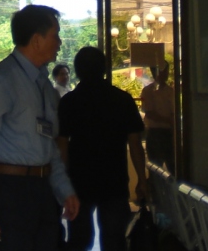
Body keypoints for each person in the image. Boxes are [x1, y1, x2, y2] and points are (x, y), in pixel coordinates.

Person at [0, 5, 79, 251]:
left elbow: (48, 145)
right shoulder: (2, 81)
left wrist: (64, 189)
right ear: (37, 40)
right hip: (9, 191)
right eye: (55, 35)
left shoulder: (43, 85)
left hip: (42, 189)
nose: (59, 43)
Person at [57, 47, 148, 251]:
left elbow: (62, 145)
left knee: (79, 240)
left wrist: (61, 182)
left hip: (79, 180)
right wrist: (142, 179)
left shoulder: (69, 102)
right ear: (104, 69)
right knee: (114, 240)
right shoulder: (122, 100)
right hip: (114, 179)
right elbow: (135, 144)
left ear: (77, 71)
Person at [140, 60, 176, 173]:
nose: (166, 74)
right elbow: (150, 113)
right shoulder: (148, 91)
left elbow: (173, 112)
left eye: (166, 71)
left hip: (168, 133)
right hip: (155, 133)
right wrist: (169, 121)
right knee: (156, 170)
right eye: (163, 71)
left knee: (173, 168)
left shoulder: (170, 91)